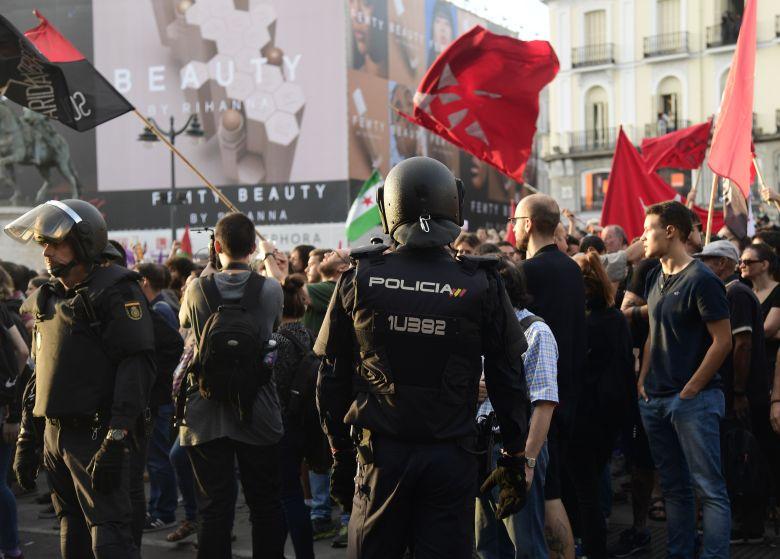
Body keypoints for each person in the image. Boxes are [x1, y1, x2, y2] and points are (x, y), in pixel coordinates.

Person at [316, 156, 531, 558]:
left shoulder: (359, 278)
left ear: (387, 208)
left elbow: (331, 378)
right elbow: (509, 378)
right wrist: (514, 456)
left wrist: (339, 455)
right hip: (450, 458)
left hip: (381, 458)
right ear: (455, 204)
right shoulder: (482, 281)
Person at [5, 199, 156, 559]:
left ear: (85, 243)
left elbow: (136, 369)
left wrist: (116, 437)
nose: (46, 252)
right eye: (44, 243)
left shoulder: (116, 291)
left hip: (98, 434)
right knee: (71, 531)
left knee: (109, 538)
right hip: (57, 435)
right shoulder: (49, 296)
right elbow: (40, 373)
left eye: (55, 243)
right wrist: (29, 436)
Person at [178, 212, 285, 558]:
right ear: (253, 247)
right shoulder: (270, 289)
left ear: (216, 246)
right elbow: (275, 325)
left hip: (206, 414)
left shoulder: (196, 288)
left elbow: (185, 323)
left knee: (213, 508)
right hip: (258, 409)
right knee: (265, 504)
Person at [638, 201, 732, 558]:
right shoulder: (652, 275)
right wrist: (643, 380)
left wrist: (691, 389)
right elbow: (652, 331)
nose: (642, 236)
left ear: (670, 231)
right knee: (675, 489)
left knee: (709, 489)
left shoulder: (703, 280)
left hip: (695, 401)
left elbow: (723, 342)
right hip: (655, 400)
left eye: (648, 229)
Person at [513, 193, 587, 559]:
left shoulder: (529, 272)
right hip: (567, 392)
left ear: (528, 224)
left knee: (549, 494)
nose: (512, 227)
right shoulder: (571, 267)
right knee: (556, 488)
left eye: (515, 220)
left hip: (541, 399)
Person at [475, 259, 558, 559]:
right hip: (480, 448)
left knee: (525, 546)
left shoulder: (536, 333)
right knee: (486, 545)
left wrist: (528, 462)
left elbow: (545, 403)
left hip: (516, 450)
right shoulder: (481, 329)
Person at [696, 240, 771, 544]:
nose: (704, 266)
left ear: (724, 264)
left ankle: (749, 526)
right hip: (737, 392)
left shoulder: (734, 293)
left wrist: (738, 391)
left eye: (710, 261)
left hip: (742, 393)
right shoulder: (732, 292)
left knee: (743, 456)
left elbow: (742, 344)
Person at [571, 252, 634, 558]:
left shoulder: (581, 324)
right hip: (610, 414)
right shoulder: (616, 318)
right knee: (592, 484)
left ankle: (590, 548)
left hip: (584, 414)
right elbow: (625, 367)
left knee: (583, 490)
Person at [134, 263, 182, 533]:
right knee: (156, 456)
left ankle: (163, 512)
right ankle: (159, 509)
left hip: (159, 397)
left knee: (158, 457)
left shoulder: (159, 308)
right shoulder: (161, 305)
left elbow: (174, 346)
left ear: (144, 282)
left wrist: (152, 374)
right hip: (158, 395)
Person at [271, 274, 316, 559]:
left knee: (286, 495)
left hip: (282, 426)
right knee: (294, 494)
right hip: (306, 424)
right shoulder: (310, 335)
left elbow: (272, 388)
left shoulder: (276, 341)